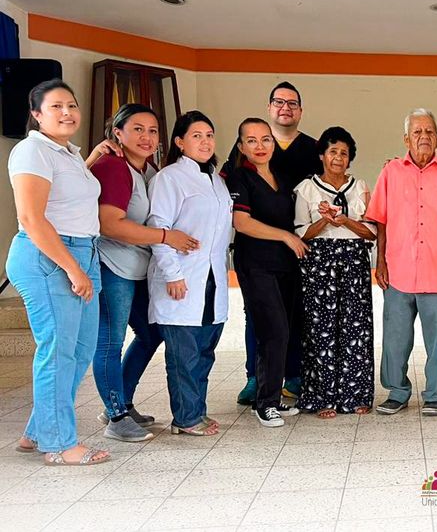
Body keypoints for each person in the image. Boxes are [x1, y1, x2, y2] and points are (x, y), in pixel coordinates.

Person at [7, 80, 109, 465]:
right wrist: (72, 268)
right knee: (58, 351)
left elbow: (68, 197)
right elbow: (32, 218)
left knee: (80, 350)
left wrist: (91, 160)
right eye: (56, 106)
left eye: (72, 105)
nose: (67, 112)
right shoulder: (31, 150)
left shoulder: (67, 153)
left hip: (84, 251)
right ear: (36, 114)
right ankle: (60, 445)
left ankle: (37, 430)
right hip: (50, 256)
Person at [88, 104, 199, 442]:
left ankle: (121, 403)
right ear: (117, 133)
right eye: (137, 129)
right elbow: (110, 225)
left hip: (138, 269)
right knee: (110, 341)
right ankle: (116, 415)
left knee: (151, 334)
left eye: (152, 130)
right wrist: (167, 237)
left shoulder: (148, 169)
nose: (147, 137)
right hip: (113, 266)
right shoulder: (113, 166)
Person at [366, 108, 437, 417]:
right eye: (417, 132)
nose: (424, 136)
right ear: (406, 138)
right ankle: (397, 392)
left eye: (429, 131)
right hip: (398, 269)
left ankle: (435, 395)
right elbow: (381, 220)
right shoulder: (391, 172)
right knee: (395, 338)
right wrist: (381, 262)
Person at [229, 81, 320, 405]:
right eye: (279, 102)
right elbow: (234, 206)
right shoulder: (243, 164)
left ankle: (292, 375)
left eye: (292, 103)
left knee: (293, 314)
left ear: (301, 111)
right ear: (269, 108)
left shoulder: (311, 148)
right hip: (258, 253)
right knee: (259, 317)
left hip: (297, 249)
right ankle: (257, 378)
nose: (285, 108)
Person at [147, 110, 232, 436]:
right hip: (182, 279)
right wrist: (172, 275)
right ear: (180, 142)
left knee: (205, 351)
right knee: (184, 355)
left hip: (212, 279)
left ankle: (197, 410)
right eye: (197, 136)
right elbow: (158, 228)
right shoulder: (169, 178)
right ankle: (185, 418)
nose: (205, 141)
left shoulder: (216, 180)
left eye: (209, 135)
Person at [294, 126, 376, 417]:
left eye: (344, 152)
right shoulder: (306, 189)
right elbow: (301, 233)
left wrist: (345, 221)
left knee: (357, 327)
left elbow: (371, 231)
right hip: (319, 262)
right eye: (333, 151)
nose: (338, 157)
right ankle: (322, 398)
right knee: (321, 329)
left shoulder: (360, 186)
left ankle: (356, 395)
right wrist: (325, 221)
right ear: (322, 155)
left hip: (354, 260)